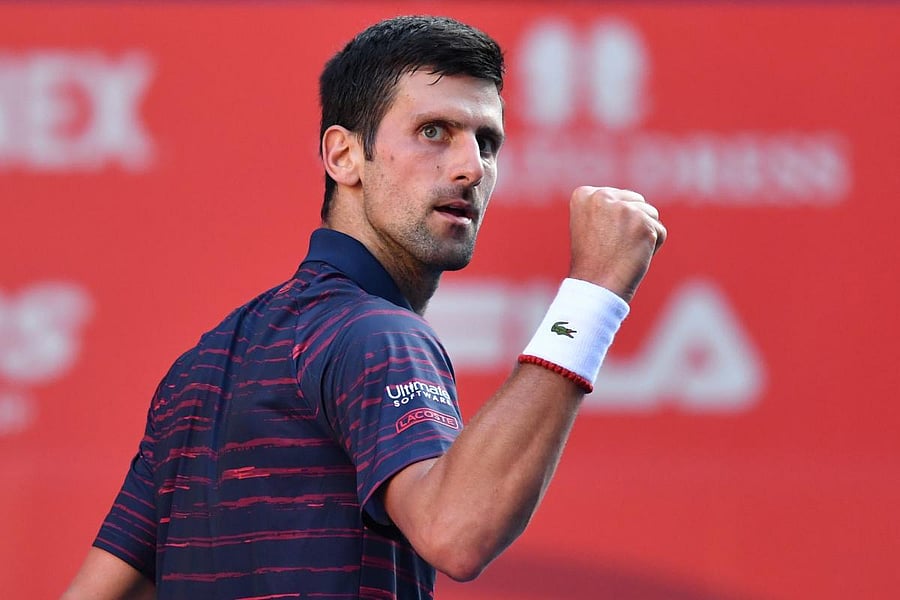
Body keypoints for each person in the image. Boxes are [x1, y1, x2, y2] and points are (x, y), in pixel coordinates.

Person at [63, 14, 666, 600]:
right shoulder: (375, 333)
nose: (470, 168)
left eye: (487, 142)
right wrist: (592, 294)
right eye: (434, 131)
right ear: (343, 156)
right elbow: (456, 531)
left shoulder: (199, 366)